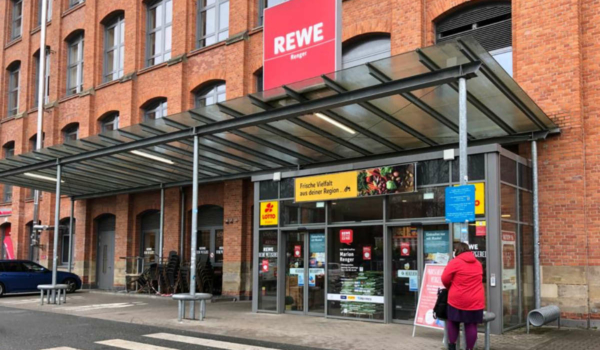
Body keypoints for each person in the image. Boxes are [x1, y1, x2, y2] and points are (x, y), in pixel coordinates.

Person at [441, 242, 485, 350]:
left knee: (453, 321)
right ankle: (469, 348)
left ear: (457, 251)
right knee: (471, 324)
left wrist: (450, 287)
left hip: (457, 299)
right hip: (475, 300)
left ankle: (452, 346)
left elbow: (444, 278)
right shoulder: (478, 263)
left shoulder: (455, 262)